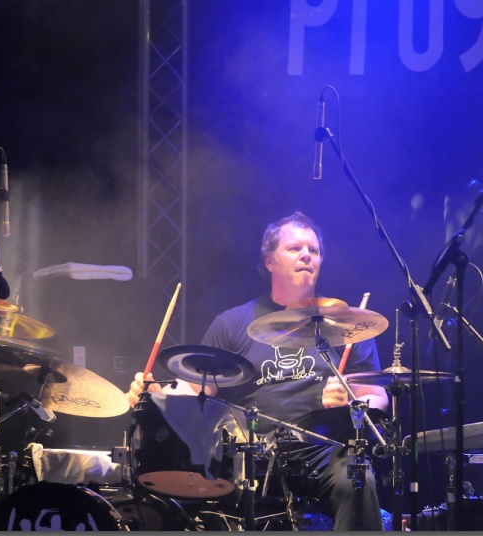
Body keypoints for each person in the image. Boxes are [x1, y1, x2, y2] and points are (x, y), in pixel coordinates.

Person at [127, 211, 389, 531]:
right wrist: (155, 395)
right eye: (294, 248)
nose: (306, 255)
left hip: (323, 448)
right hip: (250, 451)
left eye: (314, 250)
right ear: (269, 261)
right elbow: (195, 390)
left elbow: (376, 394)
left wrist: (351, 403)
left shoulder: (348, 323)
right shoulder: (232, 323)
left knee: (357, 480)